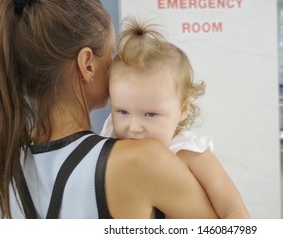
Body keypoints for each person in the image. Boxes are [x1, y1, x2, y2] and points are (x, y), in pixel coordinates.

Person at [0, 0, 218, 219]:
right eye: (112, 53)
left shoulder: (11, 166)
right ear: (87, 64)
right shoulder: (142, 159)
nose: (118, 64)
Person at [100, 16, 250, 219]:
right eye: (122, 112)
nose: (133, 127)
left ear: (183, 109)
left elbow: (234, 210)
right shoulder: (110, 133)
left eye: (150, 114)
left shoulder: (188, 151)